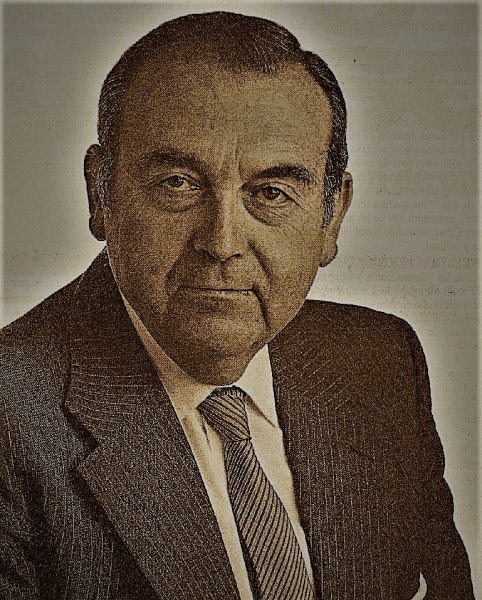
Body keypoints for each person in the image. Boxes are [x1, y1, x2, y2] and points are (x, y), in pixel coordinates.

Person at [0, 11, 474, 600]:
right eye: (178, 183)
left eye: (271, 192)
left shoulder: (378, 360)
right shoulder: (11, 415)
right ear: (101, 194)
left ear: (332, 218)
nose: (221, 242)